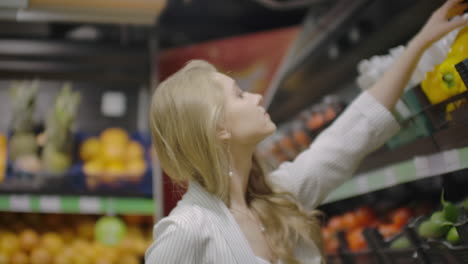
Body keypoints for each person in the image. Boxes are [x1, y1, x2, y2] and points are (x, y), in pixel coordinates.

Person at [145, 1, 468, 263]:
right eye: (240, 95)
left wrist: (421, 42)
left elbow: (351, 132)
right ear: (217, 128)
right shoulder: (187, 231)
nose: (256, 96)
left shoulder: (279, 197)